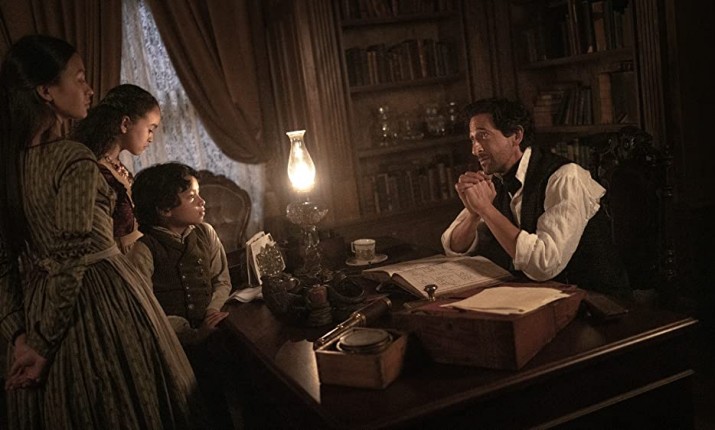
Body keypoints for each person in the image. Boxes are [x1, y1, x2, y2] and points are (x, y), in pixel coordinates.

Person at [0, 35, 203, 428]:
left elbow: (4, 262)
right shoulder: (73, 157)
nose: (90, 89)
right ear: (45, 91)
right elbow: (72, 259)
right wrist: (41, 345)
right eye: (79, 79)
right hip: (98, 302)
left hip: (37, 306)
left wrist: (20, 337)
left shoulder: (9, 165)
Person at [442, 97, 629, 296]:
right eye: (473, 139)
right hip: (536, 297)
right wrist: (473, 213)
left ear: (516, 135)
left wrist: (485, 210)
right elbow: (452, 246)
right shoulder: (494, 180)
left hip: (595, 301)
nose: (475, 150)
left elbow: (544, 264)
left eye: (483, 136)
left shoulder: (566, 177)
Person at [128, 162, 234, 430]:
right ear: (164, 209)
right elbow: (143, 310)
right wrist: (191, 334)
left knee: (221, 403)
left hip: (212, 341)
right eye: (191, 197)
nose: (202, 201)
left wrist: (212, 311)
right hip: (173, 348)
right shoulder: (144, 250)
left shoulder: (206, 233)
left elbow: (221, 280)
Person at [72, 83, 161, 253]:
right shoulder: (99, 173)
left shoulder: (118, 168)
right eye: (150, 129)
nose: (151, 138)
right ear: (125, 124)